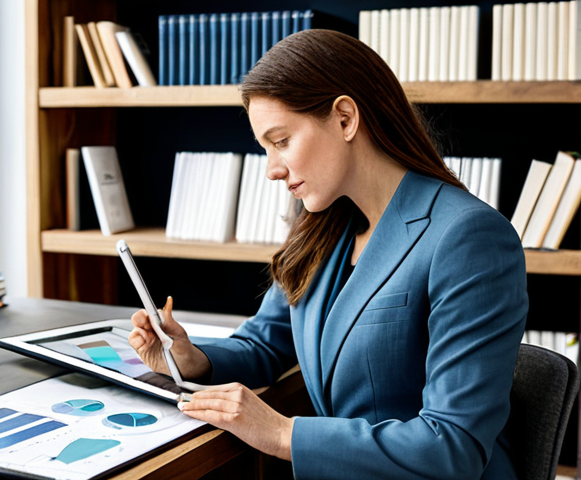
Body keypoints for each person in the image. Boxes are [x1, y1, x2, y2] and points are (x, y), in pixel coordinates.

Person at [129, 29, 527, 480]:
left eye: (281, 142)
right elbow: (263, 343)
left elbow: (452, 447)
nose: (272, 170)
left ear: (344, 118)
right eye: (265, 149)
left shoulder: (469, 237)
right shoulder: (323, 226)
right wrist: (191, 358)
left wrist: (282, 434)